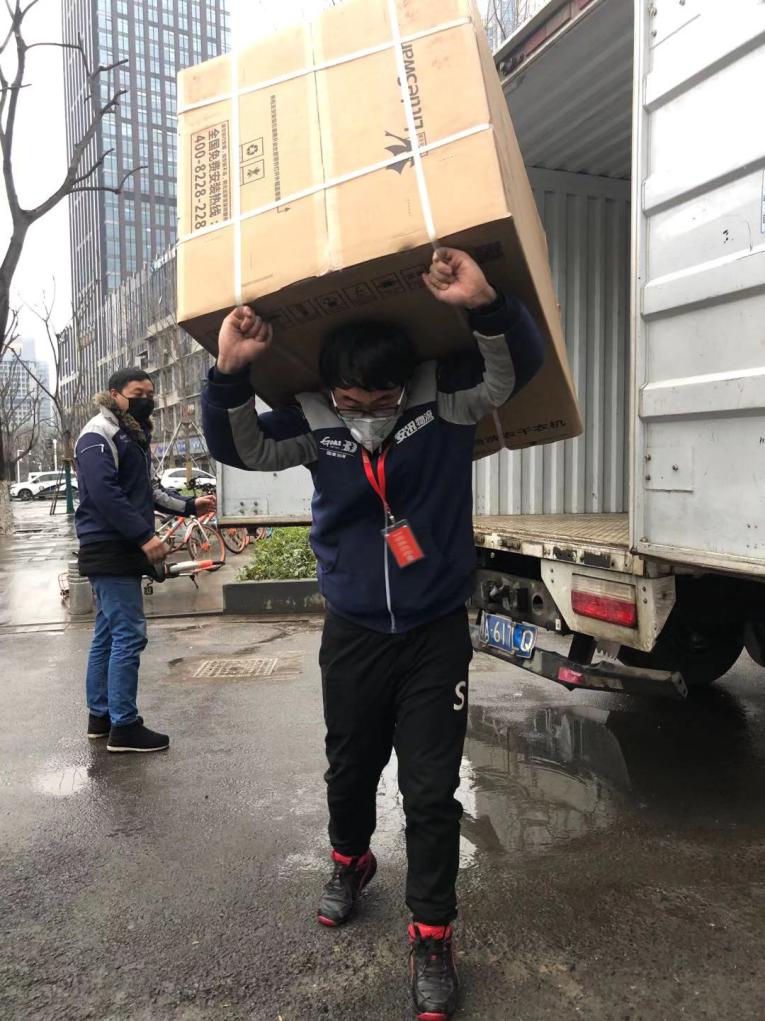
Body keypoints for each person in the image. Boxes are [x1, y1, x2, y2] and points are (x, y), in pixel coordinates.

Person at [201, 248, 544, 1020]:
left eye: (381, 398)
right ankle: (350, 861)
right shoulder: (314, 424)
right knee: (349, 768)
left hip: (432, 632)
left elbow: (513, 371)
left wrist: (484, 304)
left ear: (402, 383)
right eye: (351, 399)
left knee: (430, 791)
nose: (366, 412)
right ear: (331, 391)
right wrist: (227, 373)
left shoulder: (444, 400)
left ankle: (431, 935)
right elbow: (239, 447)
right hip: (353, 629)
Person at [75, 368, 216, 753]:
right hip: (110, 546)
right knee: (128, 634)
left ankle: (101, 718)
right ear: (114, 393)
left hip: (119, 546)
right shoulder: (97, 434)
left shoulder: (132, 436)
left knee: (108, 633)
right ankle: (124, 726)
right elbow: (104, 493)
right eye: (138, 393)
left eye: (150, 393)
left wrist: (190, 506)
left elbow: (148, 489)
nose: (147, 400)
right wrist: (144, 536)